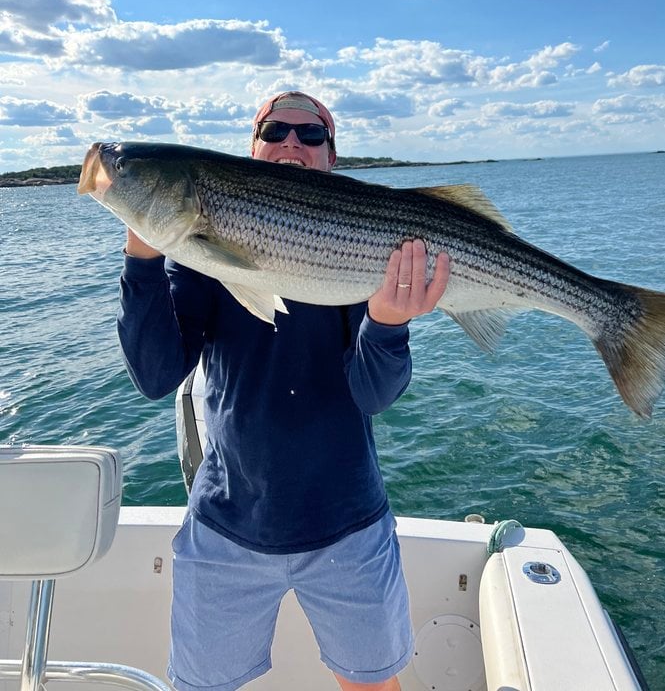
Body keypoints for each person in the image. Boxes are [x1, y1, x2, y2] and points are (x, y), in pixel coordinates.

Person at [117, 91, 451, 691]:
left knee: (374, 685)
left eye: (310, 134)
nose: (291, 144)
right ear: (252, 146)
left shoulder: (365, 241)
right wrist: (143, 258)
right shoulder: (200, 255)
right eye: (275, 130)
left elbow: (374, 395)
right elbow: (157, 376)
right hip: (226, 523)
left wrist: (389, 324)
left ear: (331, 155)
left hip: (349, 524)